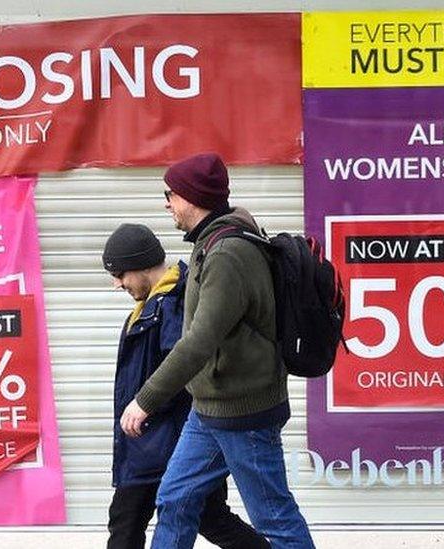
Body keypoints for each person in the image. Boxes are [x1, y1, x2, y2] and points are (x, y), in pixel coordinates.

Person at [119, 154, 315, 549]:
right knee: (175, 499)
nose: (166, 203)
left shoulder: (227, 254)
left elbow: (200, 338)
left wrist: (146, 400)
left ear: (191, 198)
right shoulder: (210, 243)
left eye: (170, 194)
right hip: (209, 408)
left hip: (244, 411)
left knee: (273, 516)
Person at [102, 223, 269, 549]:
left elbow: (184, 370)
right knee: (201, 517)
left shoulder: (175, 304)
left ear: (140, 264)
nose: (117, 283)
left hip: (165, 442)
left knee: (131, 524)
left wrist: (145, 405)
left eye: (121, 274)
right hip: (151, 443)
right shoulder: (154, 304)